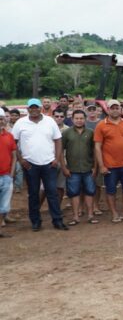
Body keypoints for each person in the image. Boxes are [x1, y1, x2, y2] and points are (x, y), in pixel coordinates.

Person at [14, 99, 66, 231]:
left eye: (36, 107)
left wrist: (56, 159)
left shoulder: (50, 121)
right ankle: (35, 221)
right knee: (33, 194)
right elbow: (14, 143)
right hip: (30, 164)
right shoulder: (20, 123)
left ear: (40, 108)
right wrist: (21, 160)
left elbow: (58, 140)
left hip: (49, 163)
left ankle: (57, 220)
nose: (34, 110)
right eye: (31, 107)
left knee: (52, 192)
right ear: (27, 109)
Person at [94, 99, 123, 223]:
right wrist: (101, 165)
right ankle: (114, 214)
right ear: (108, 110)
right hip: (109, 165)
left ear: (120, 109)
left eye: (117, 108)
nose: (115, 110)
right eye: (112, 108)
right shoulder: (101, 125)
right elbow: (97, 147)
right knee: (111, 190)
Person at [61, 109, 97, 226]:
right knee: (73, 193)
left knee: (90, 191)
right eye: (76, 118)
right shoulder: (66, 133)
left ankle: (90, 215)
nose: (79, 120)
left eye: (81, 118)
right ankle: (75, 217)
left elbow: (95, 151)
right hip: (72, 169)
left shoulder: (91, 132)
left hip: (88, 168)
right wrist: (64, 167)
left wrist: (95, 166)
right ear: (72, 119)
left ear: (85, 119)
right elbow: (60, 151)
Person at [0, 109, 17, 236]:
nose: (0, 121)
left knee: (4, 205)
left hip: (6, 175)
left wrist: (11, 173)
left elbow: (14, 156)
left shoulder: (9, 136)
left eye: (1, 119)